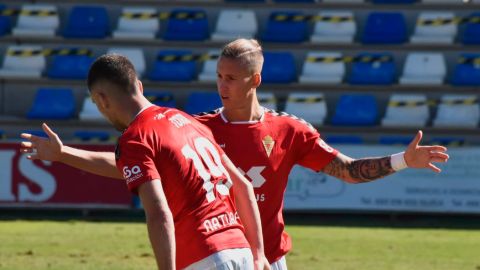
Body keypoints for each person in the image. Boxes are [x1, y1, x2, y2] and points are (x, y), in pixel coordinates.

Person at [21, 40, 449, 269]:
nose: (222, 85)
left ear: (255, 80)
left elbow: (349, 171)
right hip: (226, 249)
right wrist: (66, 155)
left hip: (265, 257)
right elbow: (133, 168)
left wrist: (400, 161)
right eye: (219, 76)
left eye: (232, 78)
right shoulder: (197, 126)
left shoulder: (288, 129)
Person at [21, 54, 270, 270]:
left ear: (102, 98)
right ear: (139, 86)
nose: (101, 110)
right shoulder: (188, 121)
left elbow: (159, 213)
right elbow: (243, 185)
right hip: (240, 250)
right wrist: (64, 153)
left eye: (97, 104)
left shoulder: (136, 138)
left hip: (203, 257)